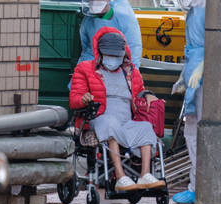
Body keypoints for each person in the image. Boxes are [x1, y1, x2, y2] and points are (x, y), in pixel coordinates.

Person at [69, 26, 164, 191]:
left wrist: (147, 94)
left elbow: (140, 90)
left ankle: (145, 175)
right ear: (100, 53)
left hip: (126, 121)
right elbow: (74, 99)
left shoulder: (131, 72)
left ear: (123, 55)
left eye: (116, 56)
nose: (113, 59)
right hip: (98, 118)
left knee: (145, 128)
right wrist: (83, 99)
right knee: (109, 123)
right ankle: (120, 177)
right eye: (109, 55)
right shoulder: (84, 69)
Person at [170, 0, 206, 204]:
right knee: (191, 128)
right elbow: (191, 48)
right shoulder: (193, 11)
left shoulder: (209, 9)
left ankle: (199, 186)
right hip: (195, 76)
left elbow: (216, 42)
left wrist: (203, 66)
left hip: (206, 79)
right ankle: (195, 186)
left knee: (199, 130)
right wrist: (185, 75)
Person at [77, 0, 142, 68]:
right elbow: (86, 49)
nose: (95, 2)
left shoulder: (123, 18)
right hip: (90, 69)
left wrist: (128, 75)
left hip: (117, 70)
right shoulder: (88, 20)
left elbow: (134, 49)